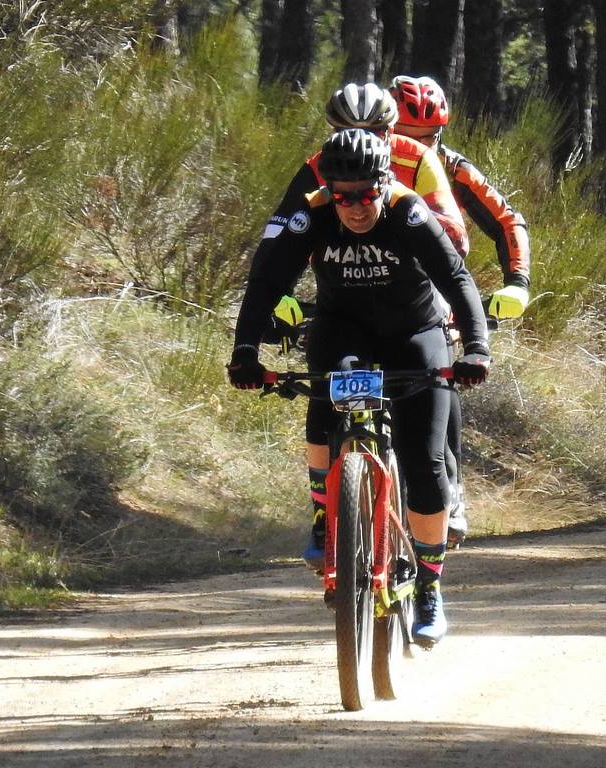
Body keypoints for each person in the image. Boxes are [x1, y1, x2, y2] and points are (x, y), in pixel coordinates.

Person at [226, 128, 492, 646]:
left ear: (384, 182)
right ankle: (332, 517)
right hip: (343, 329)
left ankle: (431, 588)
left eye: (365, 194)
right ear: (329, 190)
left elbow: (457, 279)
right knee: (326, 405)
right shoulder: (313, 213)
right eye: (342, 195)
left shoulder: (407, 211)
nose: (353, 207)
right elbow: (266, 281)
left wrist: (475, 349)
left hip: (415, 335)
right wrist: (244, 352)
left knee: (424, 463)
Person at [389, 75, 533, 546]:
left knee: (443, 375)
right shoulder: (359, 162)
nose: (416, 147)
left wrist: (518, 283)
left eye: (427, 137)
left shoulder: (451, 168)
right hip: (363, 288)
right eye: (406, 135)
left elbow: (508, 221)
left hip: (435, 292)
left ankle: (449, 486)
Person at [270, 82, 470, 258]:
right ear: (333, 133)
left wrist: (408, 221)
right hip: (338, 275)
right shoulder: (320, 164)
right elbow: (275, 234)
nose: (360, 142)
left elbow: (457, 239)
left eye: (373, 133)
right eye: (347, 133)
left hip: (412, 276)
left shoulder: (419, 158)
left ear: (389, 132)